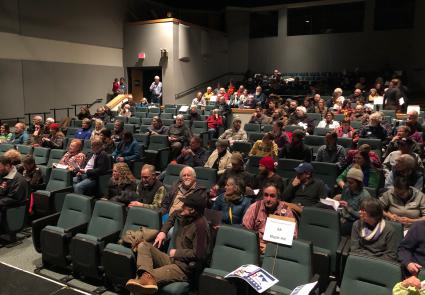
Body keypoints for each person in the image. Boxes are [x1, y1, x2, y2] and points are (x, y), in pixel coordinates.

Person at [125, 191, 210, 294]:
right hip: (172, 259)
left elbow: (200, 254)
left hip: (183, 268)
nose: (182, 206)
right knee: (143, 245)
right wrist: (163, 232)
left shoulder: (201, 227)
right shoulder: (185, 215)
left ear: (192, 210)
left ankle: (144, 279)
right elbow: (174, 214)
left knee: (140, 283)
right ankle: (145, 277)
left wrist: (176, 253)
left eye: (185, 205)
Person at [243, 183, 296, 254]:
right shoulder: (255, 207)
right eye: (266, 195)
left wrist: (271, 248)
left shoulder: (286, 211)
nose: (268, 199)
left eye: (272, 196)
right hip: (255, 248)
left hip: (277, 251)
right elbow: (245, 232)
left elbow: (293, 237)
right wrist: (257, 245)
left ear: (278, 197)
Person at [350, 197, 398, 261]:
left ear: (374, 215)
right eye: (361, 210)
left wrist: (374, 263)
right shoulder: (357, 225)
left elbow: (391, 255)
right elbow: (354, 249)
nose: (360, 213)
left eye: (363, 211)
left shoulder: (389, 230)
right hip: (361, 259)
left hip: (381, 263)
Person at [334, 166, 371, 236]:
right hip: (342, 216)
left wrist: (349, 209)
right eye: (347, 182)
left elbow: (363, 216)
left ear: (359, 183)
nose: (348, 185)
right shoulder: (346, 189)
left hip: (354, 222)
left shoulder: (365, 196)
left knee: (335, 229)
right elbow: (342, 207)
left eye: (351, 183)